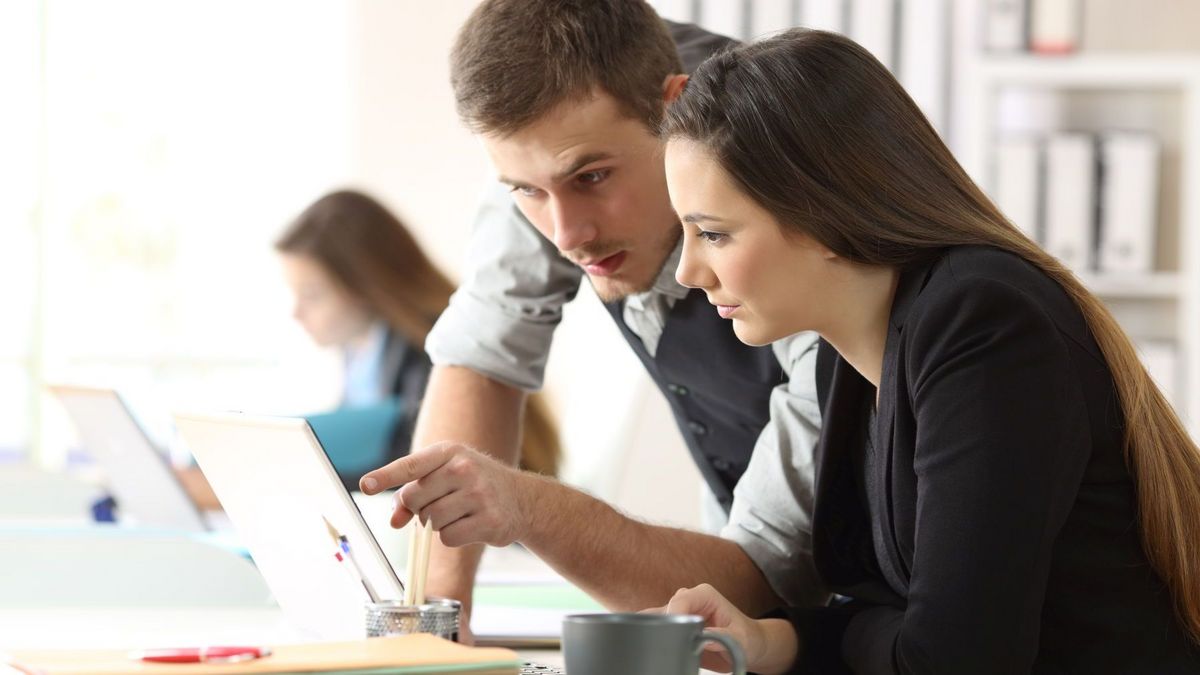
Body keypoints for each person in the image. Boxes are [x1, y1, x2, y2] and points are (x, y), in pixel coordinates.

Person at [652, 29, 1200, 674]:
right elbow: (895, 613)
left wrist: (879, 630)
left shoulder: (983, 324)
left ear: (823, 214)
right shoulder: (847, 355)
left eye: (713, 234)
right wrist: (770, 639)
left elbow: (954, 659)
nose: (687, 271)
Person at [359, 0, 826, 638]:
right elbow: (481, 353)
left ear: (674, 108)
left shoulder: (801, 202)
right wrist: (439, 619)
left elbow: (761, 578)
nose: (566, 235)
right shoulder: (553, 145)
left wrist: (530, 507)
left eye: (593, 177)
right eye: (524, 190)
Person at [275, 189, 561, 485]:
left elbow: (412, 470)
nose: (296, 313)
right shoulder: (361, 349)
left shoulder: (434, 348)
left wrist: (290, 481)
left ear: (363, 286)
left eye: (311, 295)